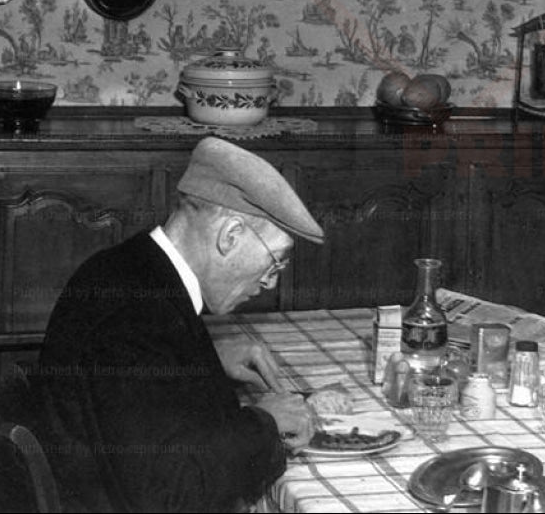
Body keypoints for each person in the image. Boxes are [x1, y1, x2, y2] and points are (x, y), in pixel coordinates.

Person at [35, 136, 326, 512]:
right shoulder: (136, 320)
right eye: (275, 262)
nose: (271, 281)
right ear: (230, 236)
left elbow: (139, 390)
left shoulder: (129, 268)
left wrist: (204, 359)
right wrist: (264, 422)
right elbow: (168, 495)